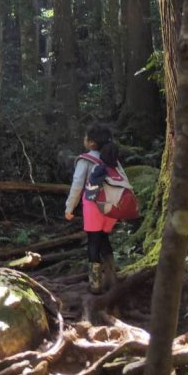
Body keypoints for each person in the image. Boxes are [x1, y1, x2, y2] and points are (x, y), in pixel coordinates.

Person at [64, 123, 123, 294]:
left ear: (91, 143)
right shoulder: (113, 159)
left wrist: (70, 207)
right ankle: (112, 279)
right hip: (112, 206)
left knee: (94, 242)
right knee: (104, 239)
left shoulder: (86, 160)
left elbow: (77, 185)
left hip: (94, 206)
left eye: (85, 137)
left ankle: (95, 284)